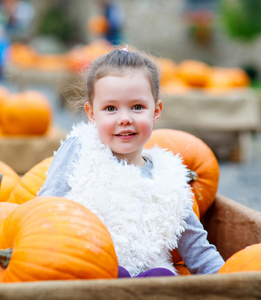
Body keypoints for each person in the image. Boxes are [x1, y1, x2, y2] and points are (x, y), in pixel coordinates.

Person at [37, 47, 225, 278]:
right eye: (110, 108)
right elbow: (43, 209)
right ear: (91, 113)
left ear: (156, 111)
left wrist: (229, 279)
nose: (125, 118)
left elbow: (198, 248)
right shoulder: (80, 149)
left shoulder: (169, 179)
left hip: (149, 281)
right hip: (86, 271)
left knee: (163, 280)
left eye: (137, 107)